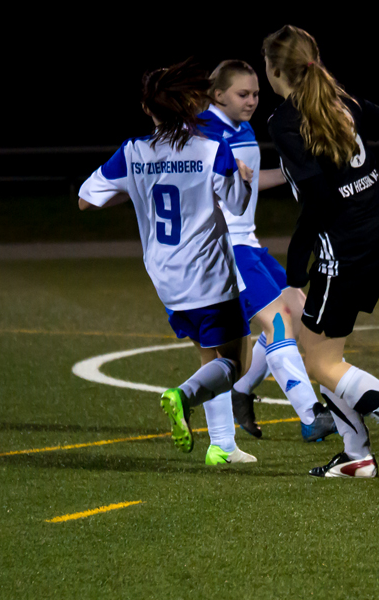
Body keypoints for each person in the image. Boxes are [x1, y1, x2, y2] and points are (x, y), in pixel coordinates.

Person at [262, 25, 379, 480]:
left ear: (274, 71)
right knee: (319, 351)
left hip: (343, 246)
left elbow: (319, 199)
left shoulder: (285, 121)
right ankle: (356, 455)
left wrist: (296, 266)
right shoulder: (341, 100)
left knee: (321, 362)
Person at [78, 58, 257, 465]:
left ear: (147, 109)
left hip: (167, 280)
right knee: (235, 363)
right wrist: (242, 178)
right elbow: (237, 205)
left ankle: (223, 447)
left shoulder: (133, 151)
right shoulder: (212, 148)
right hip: (209, 276)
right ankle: (183, 396)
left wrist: (139, 189)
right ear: (190, 106)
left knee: (209, 357)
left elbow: (86, 200)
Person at [197, 59, 337, 443]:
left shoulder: (238, 127)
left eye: (256, 93)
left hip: (249, 243)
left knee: (296, 311)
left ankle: (241, 393)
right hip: (224, 250)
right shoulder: (204, 134)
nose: (252, 101)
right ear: (218, 94)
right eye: (243, 94)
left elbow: (250, 182)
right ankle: (311, 416)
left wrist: (301, 176)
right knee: (277, 322)